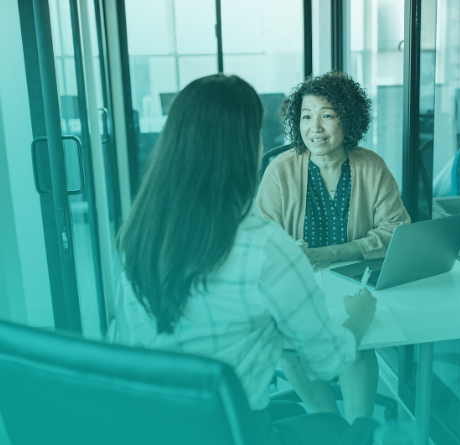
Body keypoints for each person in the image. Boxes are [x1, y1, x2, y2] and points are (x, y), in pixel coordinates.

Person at [111, 74, 377, 445]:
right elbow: (329, 360)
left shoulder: (137, 236)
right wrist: (360, 319)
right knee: (334, 428)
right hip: (236, 433)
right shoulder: (265, 249)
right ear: (245, 147)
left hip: (157, 429)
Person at [256, 71, 410, 423]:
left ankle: (359, 431)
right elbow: (261, 241)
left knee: (355, 347)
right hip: (297, 285)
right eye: (307, 117)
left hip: (355, 281)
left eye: (327, 115)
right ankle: (327, 425)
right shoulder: (280, 172)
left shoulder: (371, 167)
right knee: (290, 349)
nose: (316, 128)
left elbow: (397, 230)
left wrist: (334, 253)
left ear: (348, 119)